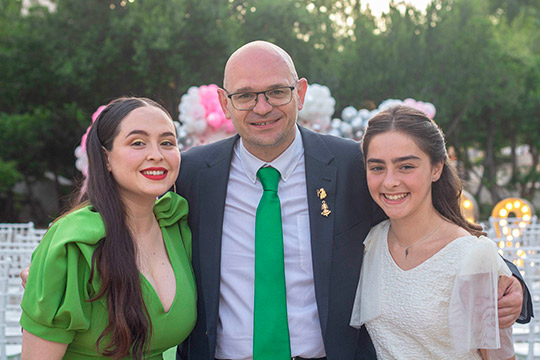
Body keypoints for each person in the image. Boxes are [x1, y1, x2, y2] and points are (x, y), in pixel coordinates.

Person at [175, 41, 531, 360]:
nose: (262, 107)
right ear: (225, 102)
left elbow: (430, 224)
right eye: (245, 95)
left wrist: (510, 282)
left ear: (300, 93)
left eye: (276, 92)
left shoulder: (353, 166)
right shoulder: (191, 174)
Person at [20, 97, 196, 359]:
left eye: (167, 142)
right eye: (138, 142)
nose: (156, 155)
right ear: (105, 158)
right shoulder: (75, 244)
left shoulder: (176, 225)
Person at [350, 105, 518, 359]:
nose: (390, 181)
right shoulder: (369, 242)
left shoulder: (473, 256)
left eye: (406, 166)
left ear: (437, 168)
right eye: (377, 168)